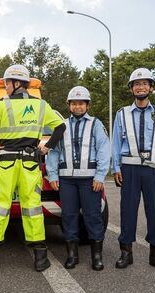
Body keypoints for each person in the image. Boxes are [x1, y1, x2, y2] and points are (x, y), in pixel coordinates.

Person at [0, 64, 66, 274]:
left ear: (16, 84)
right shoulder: (41, 105)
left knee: (0, 207)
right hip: (29, 163)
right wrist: (47, 147)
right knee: (32, 207)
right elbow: (61, 126)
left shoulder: (2, 104)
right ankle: (40, 259)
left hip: (6, 163)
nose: (6, 88)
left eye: (7, 84)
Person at [112, 67, 155, 272]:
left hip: (153, 170)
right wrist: (115, 167)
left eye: (144, 83)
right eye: (137, 84)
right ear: (132, 89)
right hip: (129, 169)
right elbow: (115, 144)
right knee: (127, 210)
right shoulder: (122, 114)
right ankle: (126, 253)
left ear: (151, 88)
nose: (140, 87)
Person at [46, 86, 110, 271]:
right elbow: (54, 152)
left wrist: (100, 175)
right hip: (66, 180)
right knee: (69, 216)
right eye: (74, 103)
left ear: (87, 105)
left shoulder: (96, 124)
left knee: (92, 216)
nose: (78, 106)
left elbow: (104, 150)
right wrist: (52, 174)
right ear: (69, 105)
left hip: (90, 180)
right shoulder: (61, 126)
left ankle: (96, 256)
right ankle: (72, 256)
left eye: (81, 103)